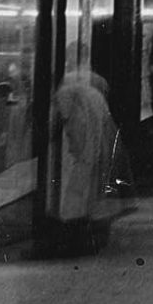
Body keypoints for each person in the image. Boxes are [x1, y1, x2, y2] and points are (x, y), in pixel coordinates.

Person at [43, 68, 120, 257]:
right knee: (93, 194)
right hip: (98, 150)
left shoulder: (65, 96)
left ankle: (77, 240)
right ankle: (94, 237)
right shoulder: (93, 95)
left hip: (85, 152)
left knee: (76, 194)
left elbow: (58, 126)